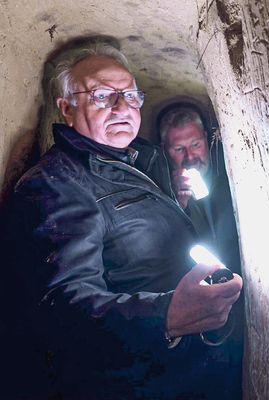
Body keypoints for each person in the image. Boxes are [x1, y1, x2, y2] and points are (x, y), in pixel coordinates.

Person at [1, 41, 243, 399]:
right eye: (101, 95)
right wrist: (167, 316)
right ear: (67, 108)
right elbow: (61, 312)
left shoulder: (139, 162)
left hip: (185, 375)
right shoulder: (55, 185)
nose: (121, 106)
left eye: (130, 95)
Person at [159, 106, 244, 398]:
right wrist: (177, 206)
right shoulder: (162, 191)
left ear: (208, 141)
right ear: (165, 151)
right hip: (201, 320)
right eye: (178, 148)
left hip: (242, 303)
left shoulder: (232, 171)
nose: (190, 157)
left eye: (195, 144)